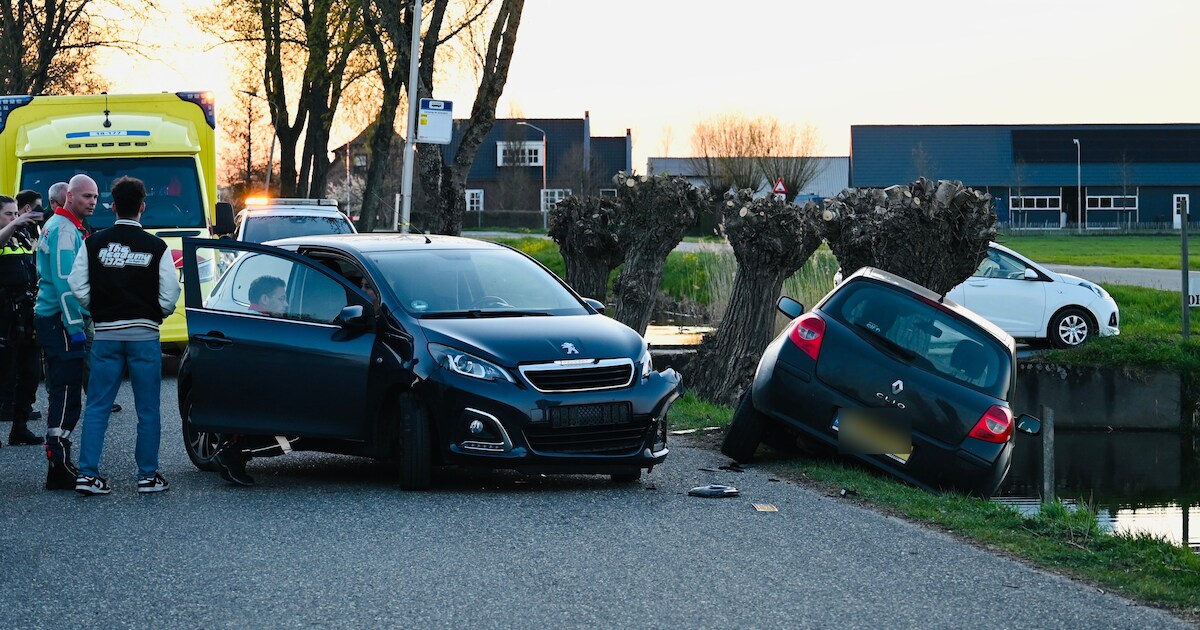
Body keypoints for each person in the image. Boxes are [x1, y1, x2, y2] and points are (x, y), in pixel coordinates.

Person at [68, 177, 180, 495]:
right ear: (142, 206)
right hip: (145, 335)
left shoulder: (93, 243)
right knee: (148, 409)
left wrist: (98, 309)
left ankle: (87, 475)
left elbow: (77, 285)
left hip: (105, 335)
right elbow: (171, 293)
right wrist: (155, 314)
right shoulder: (157, 247)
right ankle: (147, 476)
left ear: (113, 205)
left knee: (98, 406)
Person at [34, 174, 95, 490]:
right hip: (60, 320)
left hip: (55, 318)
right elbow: (64, 282)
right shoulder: (64, 230)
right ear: (69, 196)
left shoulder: (62, 227)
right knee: (67, 391)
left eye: (95, 198)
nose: (93, 203)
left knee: (63, 389)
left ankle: (60, 461)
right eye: (87, 197)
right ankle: (58, 465)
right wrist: (75, 327)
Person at [0, 195, 45, 446]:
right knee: (3, 374)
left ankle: (20, 427)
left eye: (16, 213)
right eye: (9, 214)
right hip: (3, 315)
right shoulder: (7, 235)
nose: (15, 218)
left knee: (29, 373)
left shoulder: (21, 236)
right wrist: (14, 225)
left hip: (26, 314)